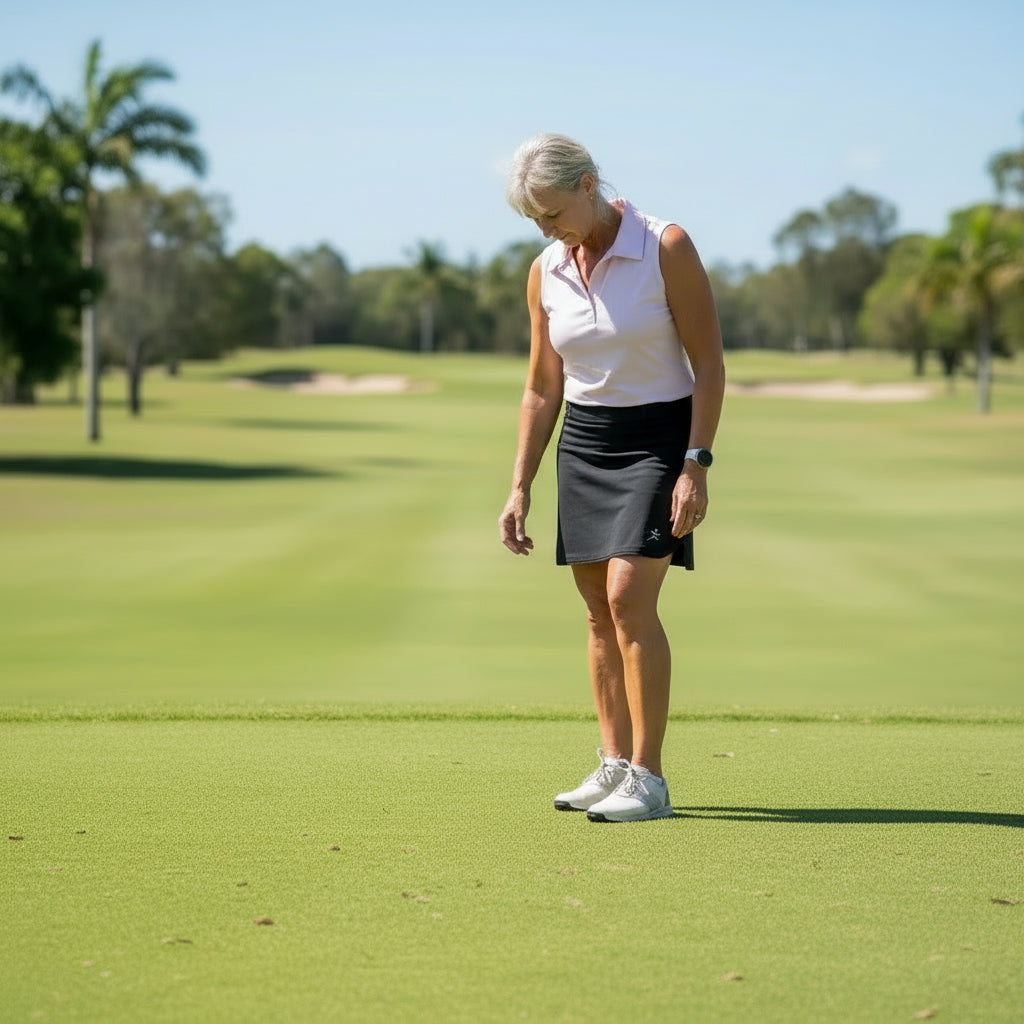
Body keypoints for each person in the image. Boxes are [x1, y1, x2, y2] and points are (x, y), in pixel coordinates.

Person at [498, 133, 725, 822]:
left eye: (552, 211)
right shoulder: (547, 268)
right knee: (597, 610)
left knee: (629, 599)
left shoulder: (665, 246)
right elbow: (543, 387)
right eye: (534, 220)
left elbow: (709, 364)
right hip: (587, 443)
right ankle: (614, 763)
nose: (546, 228)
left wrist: (696, 462)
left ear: (588, 183)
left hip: (660, 438)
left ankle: (650, 779)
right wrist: (520, 485)